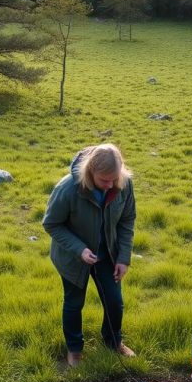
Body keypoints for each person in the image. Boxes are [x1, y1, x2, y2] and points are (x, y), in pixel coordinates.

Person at [43, 144, 137, 367]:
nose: (110, 185)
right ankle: (74, 351)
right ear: (90, 171)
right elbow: (51, 224)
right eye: (104, 180)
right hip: (73, 257)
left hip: (108, 255)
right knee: (74, 303)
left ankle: (113, 342)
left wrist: (123, 258)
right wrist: (79, 249)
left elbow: (127, 220)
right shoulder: (67, 189)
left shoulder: (123, 183)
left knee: (115, 301)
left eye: (114, 179)